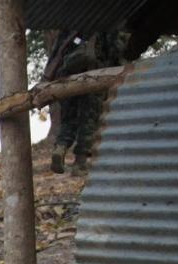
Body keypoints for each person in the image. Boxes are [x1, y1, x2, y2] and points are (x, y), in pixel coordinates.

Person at [44, 31, 123, 175]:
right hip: (94, 77)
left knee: (69, 119)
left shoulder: (69, 30)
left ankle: (60, 148)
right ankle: (79, 164)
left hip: (67, 78)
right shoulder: (105, 27)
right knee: (89, 121)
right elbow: (115, 52)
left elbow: (56, 55)